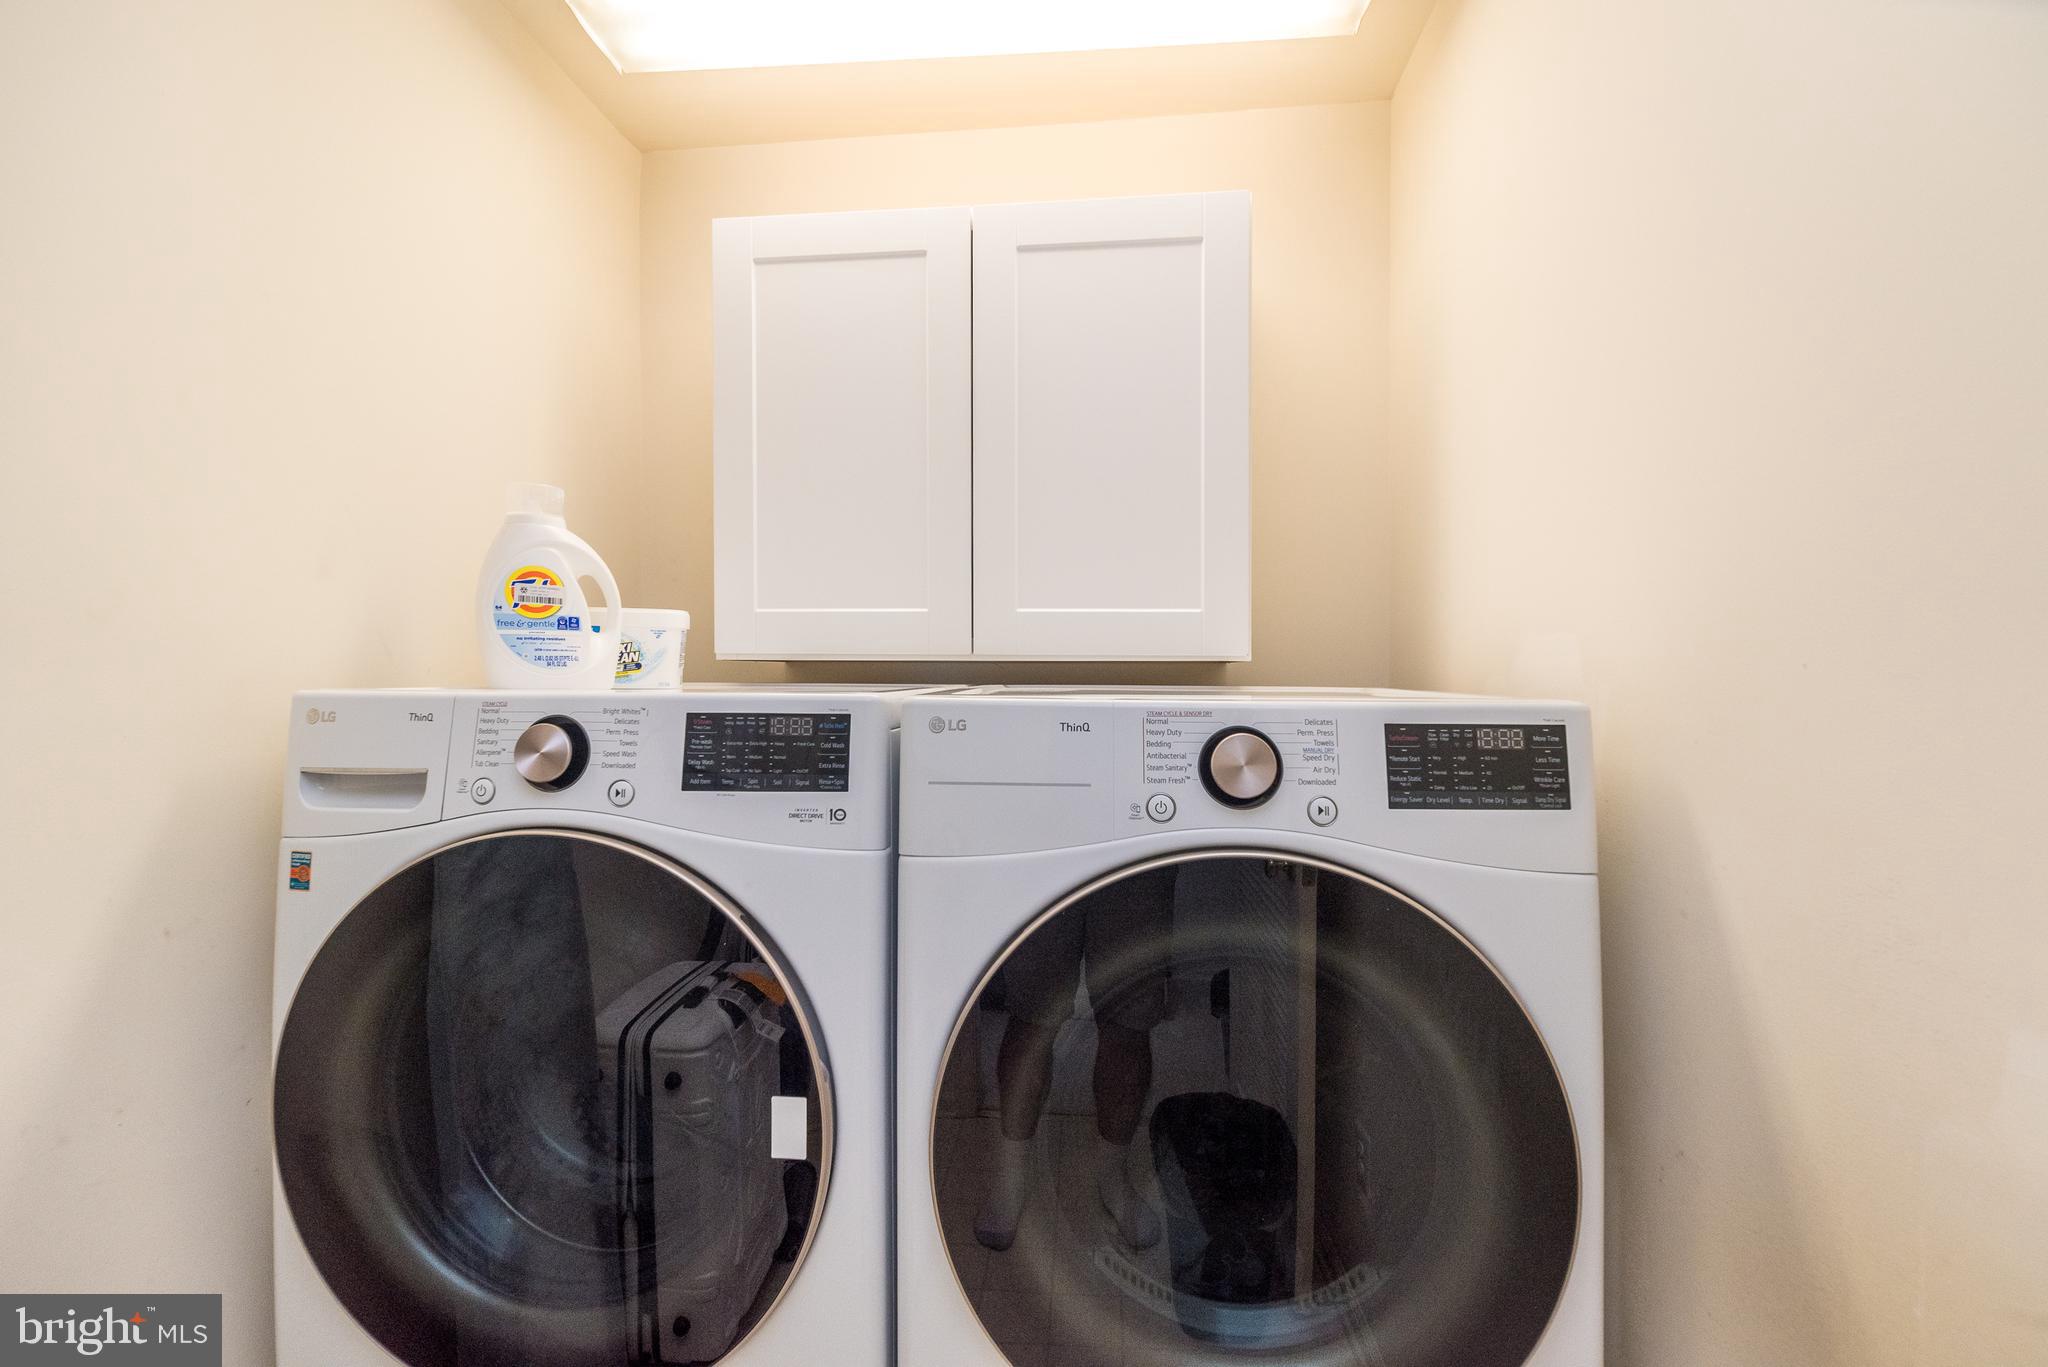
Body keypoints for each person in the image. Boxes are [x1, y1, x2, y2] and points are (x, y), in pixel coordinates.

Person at [975, 866, 1177, 1252]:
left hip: (1139, 845)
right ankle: (1010, 1179)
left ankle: (1112, 1179)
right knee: (1031, 1017)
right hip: (1044, 843)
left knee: (1130, 1022)